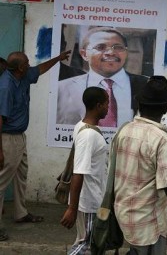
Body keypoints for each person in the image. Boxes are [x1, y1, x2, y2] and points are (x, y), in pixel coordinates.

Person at [113, 76, 167, 255]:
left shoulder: (124, 131)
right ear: (165, 108)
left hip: (124, 214)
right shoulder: (161, 140)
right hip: (148, 222)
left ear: (139, 105)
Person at [0, 50, 71, 241]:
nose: (29, 64)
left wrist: (58, 58)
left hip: (19, 136)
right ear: (20, 68)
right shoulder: (6, 86)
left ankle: (20, 213)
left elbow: (39, 69)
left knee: (21, 174)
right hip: (7, 138)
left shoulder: (22, 75)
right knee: (2, 181)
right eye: (26, 62)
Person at [57, 27, 148, 127]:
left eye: (118, 47)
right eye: (100, 47)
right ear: (84, 54)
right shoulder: (62, 89)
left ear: (126, 53)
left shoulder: (147, 86)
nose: (111, 53)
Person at [61, 86, 109, 254]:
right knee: (86, 246)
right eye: (106, 104)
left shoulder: (82, 126)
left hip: (94, 199)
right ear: (98, 106)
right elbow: (78, 172)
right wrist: (72, 209)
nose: (108, 107)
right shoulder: (89, 136)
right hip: (90, 202)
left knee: (93, 245)